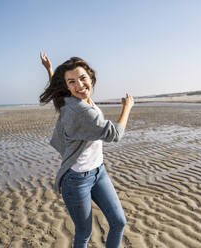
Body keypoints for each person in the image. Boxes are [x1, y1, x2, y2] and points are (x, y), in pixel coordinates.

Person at [39, 52, 134, 248]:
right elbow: (115, 134)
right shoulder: (82, 111)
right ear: (67, 85)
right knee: (84, 233)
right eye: (72, 82)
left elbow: (56, 91)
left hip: (99, 172)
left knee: (119, 222)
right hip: (76, 180)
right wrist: (127, 107)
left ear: (91, 77)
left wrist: (50, 70)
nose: (79, 85)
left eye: (82, 78)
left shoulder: (68, 98)